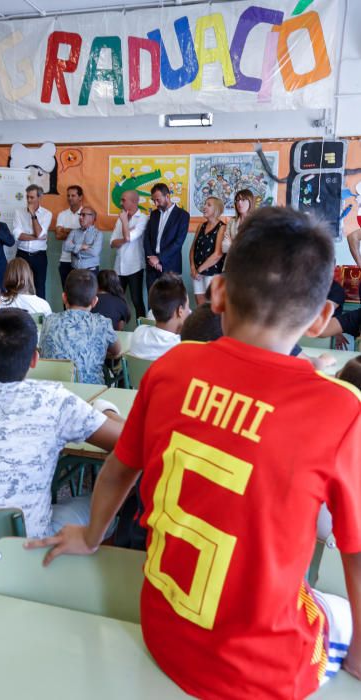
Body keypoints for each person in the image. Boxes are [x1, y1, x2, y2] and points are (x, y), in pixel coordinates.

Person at [27, 207, 361, 700]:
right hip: (259, 671)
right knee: (336, 611)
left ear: (218, 294)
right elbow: (354, 550)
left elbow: (119, 467)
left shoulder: (173, 366)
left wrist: (93, 535)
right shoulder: (339, 408)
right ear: (322, 319)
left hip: (165, 631)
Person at [0, 308, 124, 587]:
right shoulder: (53, 399)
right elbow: (127, 441)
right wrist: (104, 409)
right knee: (96, 504)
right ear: (35, 359)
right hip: (24, 564)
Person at [40, 269, 121, 384]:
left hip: (55, 392)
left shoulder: (48, 321)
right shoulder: (102, 323)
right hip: (91, 394)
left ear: (64, 298)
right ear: (94, 301)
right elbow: (117, 351)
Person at [129, 273, 189, 360]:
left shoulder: (138, 332)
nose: (189, 311)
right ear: (180, 311)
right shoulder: (181, 346)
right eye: (187, 306)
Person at [143, 183, 190, 291]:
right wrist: (152, 258)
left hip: (170, 266)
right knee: (152, 302)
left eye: (158, 200)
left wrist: (159, 259)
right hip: (151, 265)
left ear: (167, 196)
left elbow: (178, 242)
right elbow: (147, 238)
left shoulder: (182, 215)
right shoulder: (154, 214)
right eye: (153, 200)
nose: (155, 203)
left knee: (170, 303)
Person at [110, 190, 148, 319]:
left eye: (123, 200)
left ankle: (141, 330)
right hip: (118, 266)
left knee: (137, 300)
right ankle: (116, 329)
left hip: (135, 266)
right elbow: (112, 243)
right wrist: (124, 237)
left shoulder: (142, 218)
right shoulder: (121, 218)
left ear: (134, 201)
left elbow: (129, 237)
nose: (120, 203)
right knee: (116, 300)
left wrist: (125, 224)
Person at [13, 184, 52, 299]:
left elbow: (39, 233)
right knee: (19, 286)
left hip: (39, 255)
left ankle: (40, 315)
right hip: (22, 254)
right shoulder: (18, 212)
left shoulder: (47, 214)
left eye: (32, 197)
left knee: (39, 287)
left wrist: (33, 215)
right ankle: (20, 315)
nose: (29, 200)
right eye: (27, 197)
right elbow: (18, 235)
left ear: (40, 198)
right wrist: (36, 237)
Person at [189, 196, 226, 306]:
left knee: (212, 306)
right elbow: (193, 248)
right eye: (205, 204)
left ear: (216, 209)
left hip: (212, 273)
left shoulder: (222, 227)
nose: (204, 207)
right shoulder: (201, 225)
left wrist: (199, 270)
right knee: (200, 306)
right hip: (197, 273)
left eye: (208, 205)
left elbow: (218, 254)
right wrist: (193, 268)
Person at [55, 185, 84, 289]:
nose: (70, 198)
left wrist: (65, 230)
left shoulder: (86, 214)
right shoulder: (62, 214)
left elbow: (85, 236)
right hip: (65, 260)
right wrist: (76, 231)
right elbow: (58, 235)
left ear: (80, 197)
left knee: (80, 293)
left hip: (81, 260)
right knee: (66, 293)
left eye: (73, 195)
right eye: (68, 195)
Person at [63, 207, 103, 273]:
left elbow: (94, 252)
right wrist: (81, 247)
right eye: (80, 215)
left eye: (83, 215)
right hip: (74, 270)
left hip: (91, 271)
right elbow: (66, 247)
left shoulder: (98, 234)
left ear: (92, 217)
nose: (80, 217)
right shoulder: (74, 231)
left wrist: (75, 250)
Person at [222, 188, 255, 254]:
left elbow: (254, 249)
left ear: (250, 201)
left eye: (243, 200)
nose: (239, 203)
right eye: (237, 200)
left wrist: (232, 244)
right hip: (232, 262)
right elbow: (224, 248)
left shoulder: (257, 222)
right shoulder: (232, 221)